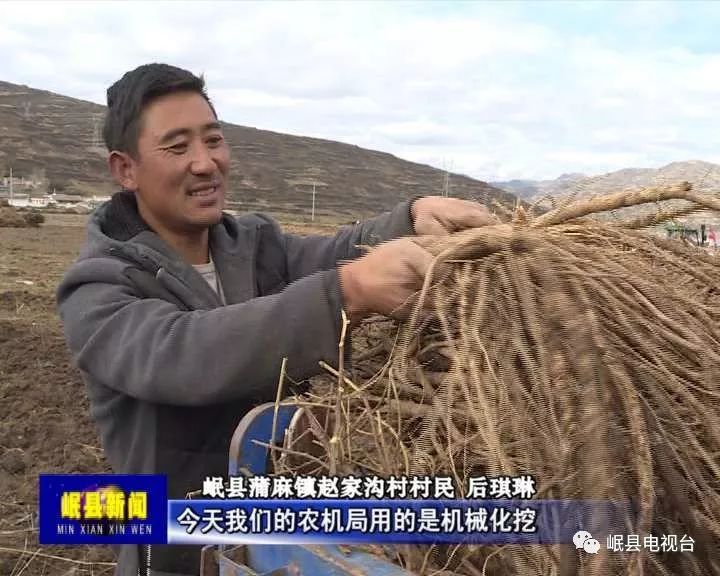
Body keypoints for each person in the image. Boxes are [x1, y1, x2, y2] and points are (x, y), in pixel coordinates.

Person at [56, 63, 497, 576]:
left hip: (282, 534)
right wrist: (346, 293)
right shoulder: (98, 287)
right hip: (177, 549)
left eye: (214, 140)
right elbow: (182, 354)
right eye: (177, 147)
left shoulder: (252, 244)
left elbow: (329, 252)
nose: (206, 163)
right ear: (126, 169)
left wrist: (410, 217)